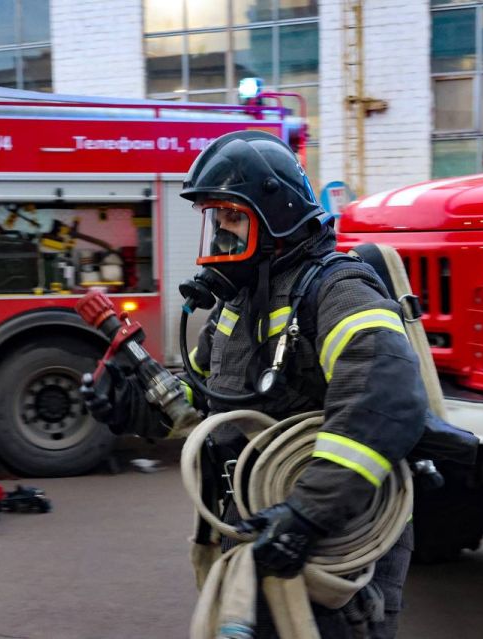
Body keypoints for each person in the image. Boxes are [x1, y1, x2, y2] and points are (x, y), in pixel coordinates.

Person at [83, 131, 428, 638]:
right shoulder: (237, 304)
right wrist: (129, 408)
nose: (220, 235)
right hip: (258, 522)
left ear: (276, 216)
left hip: (332, 538)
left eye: (231, 218)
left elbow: (383, 401)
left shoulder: (338, 292)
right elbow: (200, 407)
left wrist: (307, 514)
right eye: (215, 220)